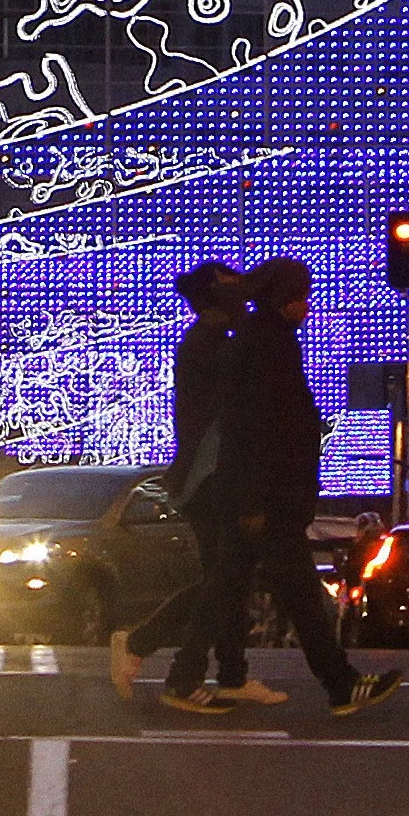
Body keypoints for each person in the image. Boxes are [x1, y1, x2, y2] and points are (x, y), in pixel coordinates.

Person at [214, 258, 401, 718]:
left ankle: (191, 667)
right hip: (272, 495)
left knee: (226, 585)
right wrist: (259, 496)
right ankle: (340, 684)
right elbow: (261, 425)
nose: (307, 304)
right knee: (291, 591)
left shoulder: (266, 339)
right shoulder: (270, 343)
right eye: (301, 295)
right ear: (286, 298)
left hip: (268, 493)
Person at [114, 264, 256, 705]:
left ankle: (230, 673)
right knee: (223, 582)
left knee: (229, 581)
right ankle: (142, 644)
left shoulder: (211, 343)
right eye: (233, 297)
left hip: (212, 478)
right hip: (209, 480)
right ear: (214, 304)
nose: (243, 305)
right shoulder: (206, 348)